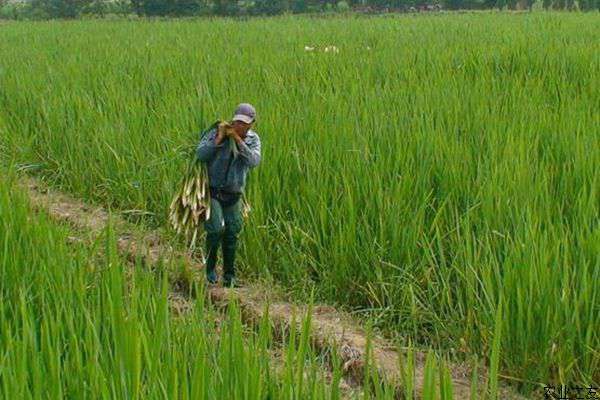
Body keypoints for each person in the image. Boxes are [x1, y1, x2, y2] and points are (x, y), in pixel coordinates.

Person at [196, 103, 261, 287]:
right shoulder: (216, 132)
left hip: (234, 194)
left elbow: (253, 161)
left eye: (244, 123)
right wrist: (218, 140)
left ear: (251, 124)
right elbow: (200, 154)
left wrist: (238, 142)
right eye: (237, 122)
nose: (239, 126)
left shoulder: (253, 140)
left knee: (232, 233)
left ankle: (229, 276)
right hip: (214, 192)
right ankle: (209, 270)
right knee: (215, 229)